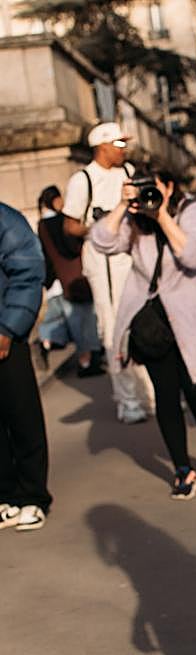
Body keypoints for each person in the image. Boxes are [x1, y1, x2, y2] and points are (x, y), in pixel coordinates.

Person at [91, 172, 196, 499]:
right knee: (166, 398)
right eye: (146, 189)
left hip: (192, 320)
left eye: (156, 187)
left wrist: (162, 215)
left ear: (170, 187)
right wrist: (123, 205)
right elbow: (101, 241)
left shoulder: (189, 209)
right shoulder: (135, 219)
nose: (151, 194)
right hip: (154, 325)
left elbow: (194, 253)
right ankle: (183, 469)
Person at [62, 122, 151, 422]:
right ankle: (128, 402)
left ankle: (153, 396)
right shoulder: (84, 179)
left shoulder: (128, 174)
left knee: (143, 325)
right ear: (102, 146)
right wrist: (99, 226)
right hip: (104, 264)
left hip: (132, 257)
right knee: (115, 331)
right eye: (119, 144)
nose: (124, 149)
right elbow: (69, 225)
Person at [0, 202, 52, 532]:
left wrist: (8, 328)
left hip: (6, 335)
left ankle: (33, 495)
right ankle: (4, 494)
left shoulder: (4, 218)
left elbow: (28, 268)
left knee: (21, 414)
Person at [36, 185, 104, 377]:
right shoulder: (61, 223)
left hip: (60, 279)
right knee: (83, 321)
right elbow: (71, 247)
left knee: (73, 320)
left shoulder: (42, 225)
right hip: (75, 275)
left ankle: (49, 342)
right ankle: (86, 361)